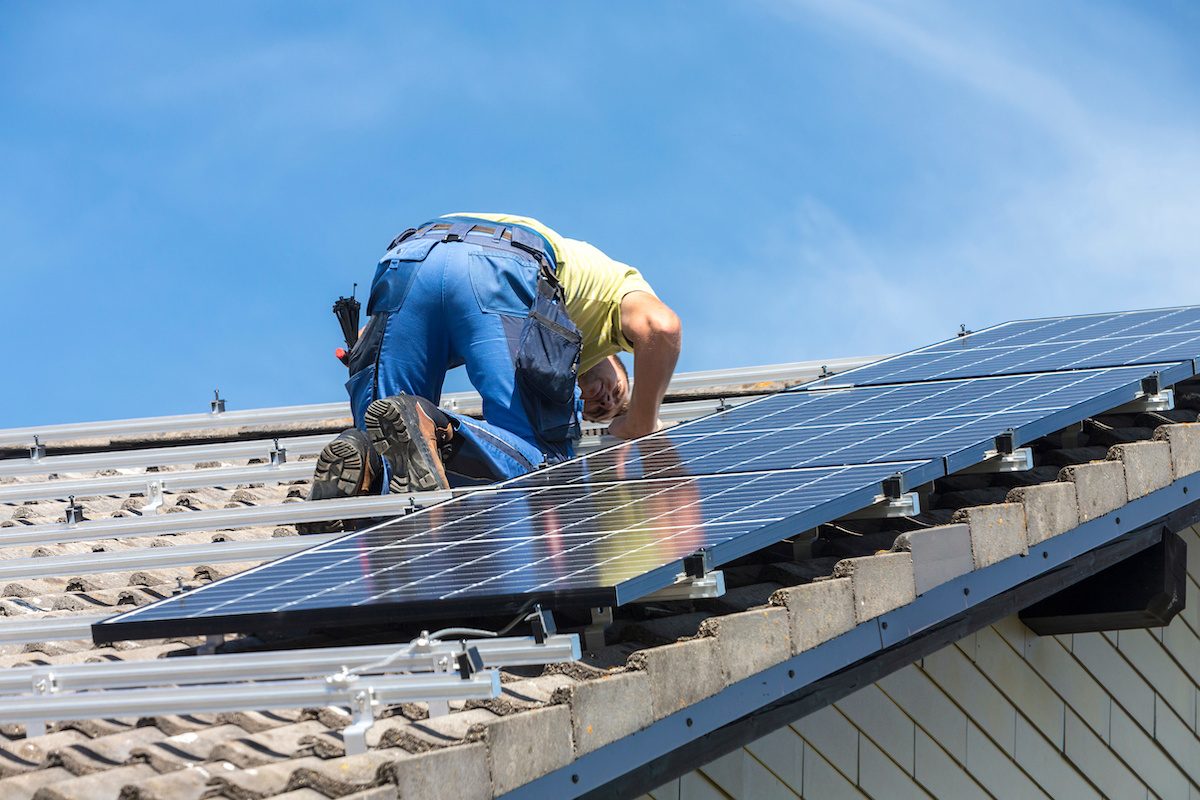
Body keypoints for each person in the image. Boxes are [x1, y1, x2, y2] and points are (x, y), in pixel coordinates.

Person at [309, 213, 681, 504]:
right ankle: (437, 426)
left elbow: (431, 320)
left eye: (597, 412)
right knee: (544, 466)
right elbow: (661, 327)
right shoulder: (616, 296)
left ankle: (365, 470)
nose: (602, 401)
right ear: (617, 357)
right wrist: (640, 422)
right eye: (618, 391)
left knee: (383, 433)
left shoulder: (528, 339)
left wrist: (372, 341)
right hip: (502, 265)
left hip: (409, 259)